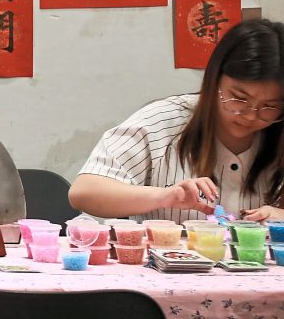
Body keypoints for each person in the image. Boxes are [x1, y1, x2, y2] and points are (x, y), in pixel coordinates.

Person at [69, 19, 284, 223]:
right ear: (213, 79)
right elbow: (84, 191)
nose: (250, 115)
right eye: (238, 98)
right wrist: (165, 196)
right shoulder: (164, 121)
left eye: (270, 106)